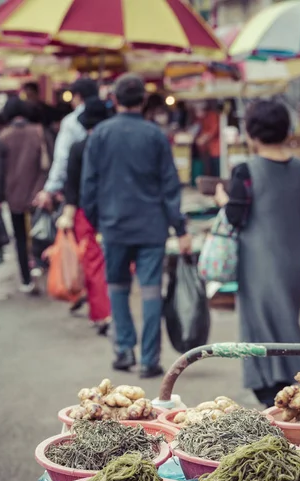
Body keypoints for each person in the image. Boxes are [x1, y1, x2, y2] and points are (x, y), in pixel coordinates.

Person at [80, 73, 191, 378]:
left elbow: (87, 186)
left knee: (117, 288)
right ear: (143, 100)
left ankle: (123, 350)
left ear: (114, 99)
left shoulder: (99, 134)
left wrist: (97, 221)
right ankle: (149, 360)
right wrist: (179, 228)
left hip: (114, 226)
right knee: (151, 292)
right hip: (151, 227)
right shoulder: (155, 135)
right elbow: (170, 187)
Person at [216, 100, 300, 407]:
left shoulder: (246, 170)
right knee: (284, 320)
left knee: (261, 324)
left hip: (260, 258)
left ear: (251, 133)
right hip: (294, 256)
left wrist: (222, 199)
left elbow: (234, 216)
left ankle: (296, 384)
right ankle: (290, 385)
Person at [57, 97, 111, 335]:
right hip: (114, 211)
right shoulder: (112, 146)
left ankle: (102, 314)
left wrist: (68, 213)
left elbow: (71, 186)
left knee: (93, 264)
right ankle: (107, 311)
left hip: (84, 214)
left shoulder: (79, 147)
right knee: (112, 264)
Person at [0, 97, 53, 293]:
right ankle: (38, 266)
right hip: (38, 192)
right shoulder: (38, 132)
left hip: (14, 195)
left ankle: (26, 279)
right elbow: (48, 163)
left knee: (20, 237)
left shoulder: (4, 136)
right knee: (41, 233)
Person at [35, 78, 98, 212]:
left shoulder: (71, 122)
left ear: (78, 96)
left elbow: (62, 158)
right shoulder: (110, 118)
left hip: (78, 189)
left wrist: (50, 189)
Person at [196, 101, 220, 177]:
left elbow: (213, 130)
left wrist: (203, 139)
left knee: (216, 170)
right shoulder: (202, 119)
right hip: (208, 149)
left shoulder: (212, 116)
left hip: (216, 149)